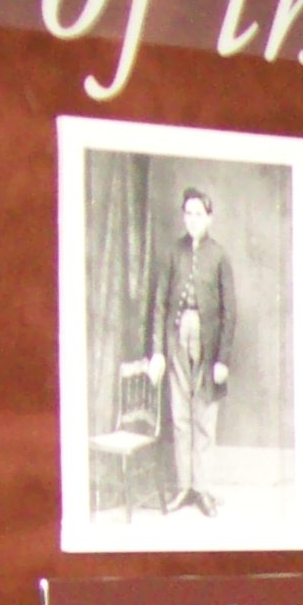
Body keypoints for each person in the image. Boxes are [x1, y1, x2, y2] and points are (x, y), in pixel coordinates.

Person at [123, 184, 233, 516]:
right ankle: (185, 487)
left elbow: (230, 312)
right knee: (181, 416)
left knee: (204, 417)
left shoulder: (220, 256)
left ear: (209, 217)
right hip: (175, 339)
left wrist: (222, 360)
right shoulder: (173, 252)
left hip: (208, 342)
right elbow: (159, 305)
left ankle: (203, 489)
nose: (193, 219)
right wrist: (158, 351)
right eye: (188, 213)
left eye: (199, 214)